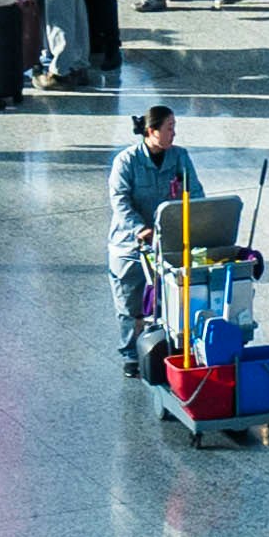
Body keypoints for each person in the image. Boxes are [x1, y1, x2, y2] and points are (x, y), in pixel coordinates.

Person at [107, 109, 204, 374]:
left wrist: (198, 221)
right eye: (169, 127)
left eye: (174, 127)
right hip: (129, 244)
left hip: (168, 243)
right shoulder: (126, 161)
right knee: (130, 303)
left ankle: (164, 349)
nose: (174, 133)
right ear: (151, 131)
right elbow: (120, 202)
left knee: (170, 300)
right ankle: (130, 353)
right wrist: (141, 228)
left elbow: (194, 192)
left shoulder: (179, 156)